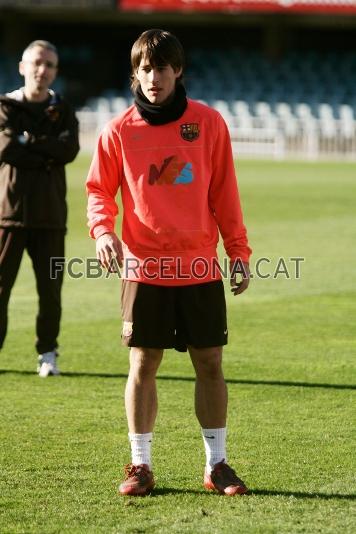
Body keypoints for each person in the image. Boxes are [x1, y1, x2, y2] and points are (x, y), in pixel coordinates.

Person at [86, 29, 251, 496]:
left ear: (178, 70)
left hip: (199, 265)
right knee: (143, 361)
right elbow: (99, 190)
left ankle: (216, 465)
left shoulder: (209, 124)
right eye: (144, 69)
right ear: (135, 74)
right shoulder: (118, 131)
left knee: (210, 362)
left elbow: (225, 194)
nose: (152, 78)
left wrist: (238, 252)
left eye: (161, 68)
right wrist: (103, 231)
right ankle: (140, 466)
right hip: (143, 267)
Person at [0, 40, 80, 377]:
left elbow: (68, 151)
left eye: (49, 65)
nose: (42, 70)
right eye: (36, 62)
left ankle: (47, 353)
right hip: (9, 215)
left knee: (51, 292)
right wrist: (45, 149)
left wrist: (27, 139)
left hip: (50, 217)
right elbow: (6, 148)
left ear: (55, 72)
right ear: (22, 66)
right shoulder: (5, 106)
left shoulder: (64, 110)